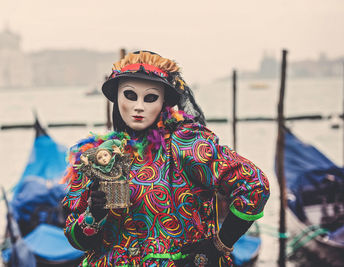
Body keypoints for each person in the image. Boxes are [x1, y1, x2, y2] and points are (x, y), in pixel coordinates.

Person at [62, 51, 270, 266]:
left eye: (150, 97)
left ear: (164, 103)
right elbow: (75, 238)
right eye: (130, 96)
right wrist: (94, 215)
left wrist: (220, 245)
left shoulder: (186, 145)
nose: (139, 107)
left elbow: (253, 184)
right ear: (117, 97)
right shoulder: (99, 156)